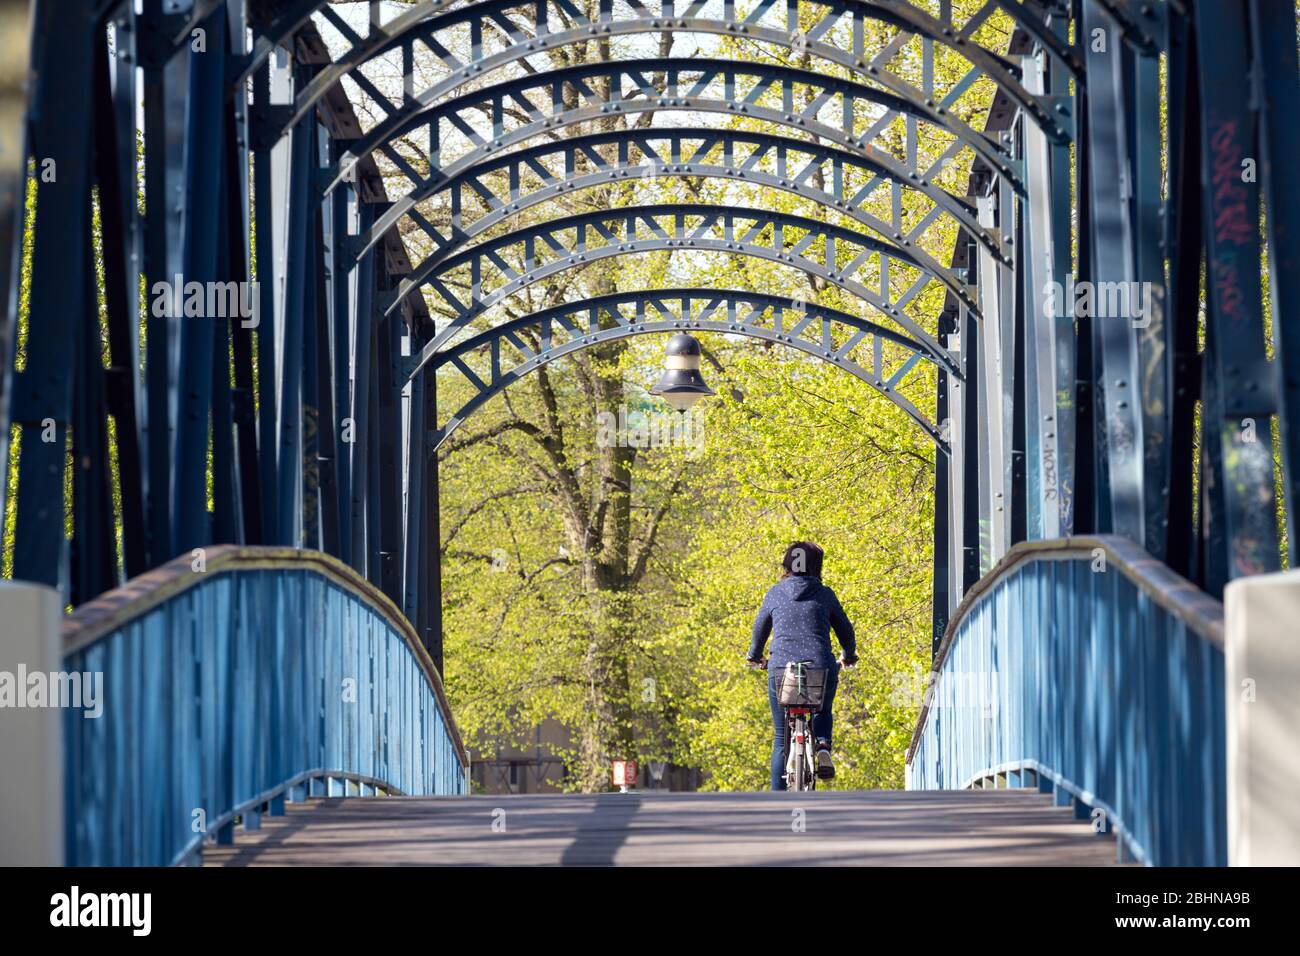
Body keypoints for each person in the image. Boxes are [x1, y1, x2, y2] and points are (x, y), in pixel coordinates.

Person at [746, 541, 857, 790]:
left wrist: (754, 655)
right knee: (822, 710)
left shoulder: (774, 593)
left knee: (780, 739)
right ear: (817, 566)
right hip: (820, 665)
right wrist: (848, 656)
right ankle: (823, 746)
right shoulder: (825, 594)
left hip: (780, 670)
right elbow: (845, 631)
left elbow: (759, 629)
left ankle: (777, 799)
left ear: (787, 564)